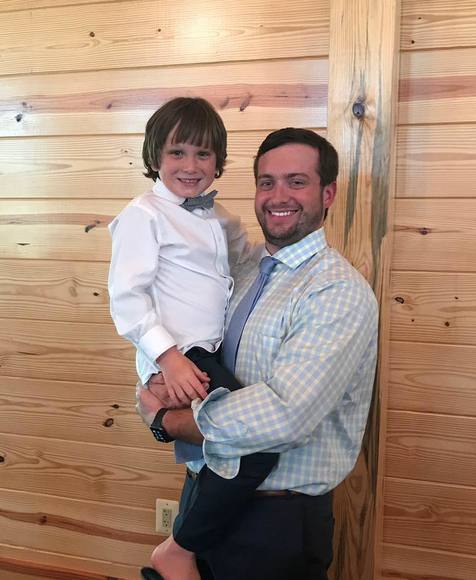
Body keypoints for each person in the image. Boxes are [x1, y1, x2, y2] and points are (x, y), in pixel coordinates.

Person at [137, 128, 379, 580]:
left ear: (327, 194)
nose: (278, 196)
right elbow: (183, 337)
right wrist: (156, 378)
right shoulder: (239, 270)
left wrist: (166, 421)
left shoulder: (336, 291)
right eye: (267, 182)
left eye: (296, 181)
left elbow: (285, 416)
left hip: (274, 522)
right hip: (203, 493)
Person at [108, 97, 278, 580]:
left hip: (210, 352)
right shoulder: (143, 215)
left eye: (203, 154)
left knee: (214, 458)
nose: (190, 165)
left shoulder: (218, 217)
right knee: (254, 446)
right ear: (155, 156)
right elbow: (127, 298)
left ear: (218, 161)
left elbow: (247, 262)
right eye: (177, 152)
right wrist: (170, 359)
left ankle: (183, 557)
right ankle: (178, 550)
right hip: (180, 353)